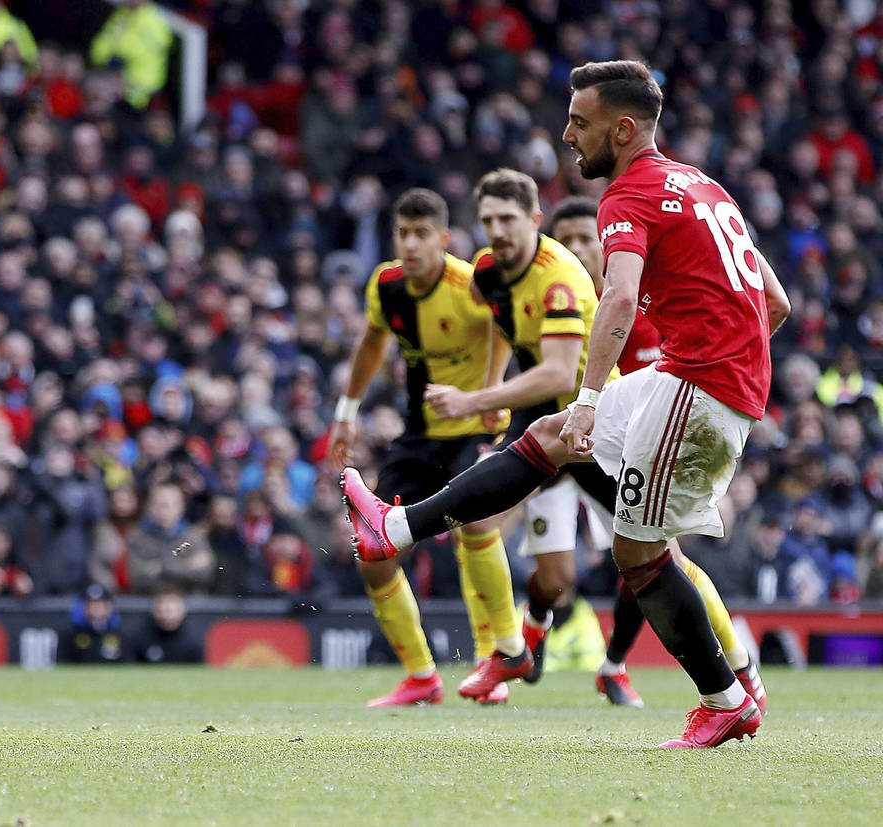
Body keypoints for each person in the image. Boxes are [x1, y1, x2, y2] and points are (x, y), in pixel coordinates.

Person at [344, 60, 790, 748]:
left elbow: (615, 297)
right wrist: (735, 354)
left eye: (580, 123)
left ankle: (727, 694)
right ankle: (396, 528)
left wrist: (601, 395)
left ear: (622, 128)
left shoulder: (628, 194)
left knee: (638, 551)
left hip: (699, 382)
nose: (567, 134)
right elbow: (777, 303)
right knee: (549, 434)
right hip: (697, 374)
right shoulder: (704, 185)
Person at [550, 196, 765, 710]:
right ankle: (521, 646)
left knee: (654, 551)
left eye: (588, 239)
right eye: (568, 241)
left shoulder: (635, 307)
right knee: (547, 564)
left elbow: (662, 395)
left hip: (605, 441)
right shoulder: (542, 297)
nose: (579, 250)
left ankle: (706, 669)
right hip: (566, 438)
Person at [422, 168, 622, 699]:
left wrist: (474, 399)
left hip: (594, 431)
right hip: (540, 431)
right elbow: (503, 327)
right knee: (484, 530)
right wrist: (491, 387)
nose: (497, 230)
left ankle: (729, 669)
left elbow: (560, 373)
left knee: (656, 555)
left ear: (533, 221)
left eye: (507, 219)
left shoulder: (561, 280)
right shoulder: (489, 272)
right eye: (487, 220)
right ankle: (511, 649)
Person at [328, 187, 523, 707]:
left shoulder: (469, 285)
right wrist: (346, 413)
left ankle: (498, 659)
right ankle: (421, 676)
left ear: (444, 239)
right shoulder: (388, 286)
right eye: (402, 234)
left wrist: (487, 388)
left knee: (476, 523)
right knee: (373, 551)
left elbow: (505, 324)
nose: (410, 245)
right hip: (419, 436)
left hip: (478, 429)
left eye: (421, 235)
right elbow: (372, 342)